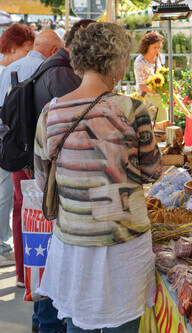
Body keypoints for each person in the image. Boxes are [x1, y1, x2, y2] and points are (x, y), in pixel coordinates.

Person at [34, 22, 162, 332]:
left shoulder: (50, 113)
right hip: (123, 242)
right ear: (118, 64)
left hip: (73, 241)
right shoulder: (131, 109)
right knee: (124, 325)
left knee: (78, 324)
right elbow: (152, 171)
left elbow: (42, 181)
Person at [30, 19, 93, 333]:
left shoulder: (54, 67)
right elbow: (80, 137)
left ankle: (45, 323)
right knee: (61, 265)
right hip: (69, 196)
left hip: (56, 189)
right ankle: (49, 324)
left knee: (55, 262)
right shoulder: (64, 75)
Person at [0, 30, 63, 287]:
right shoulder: (52, 71)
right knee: (45, 211)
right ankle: (42, 276)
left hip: (15, 150)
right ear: (52, 51)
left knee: (20, 207)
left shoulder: (9, 69)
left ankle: (22, 274)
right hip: (42, 154)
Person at [0, 23, 36, 266]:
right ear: (13, 48)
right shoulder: (7, 71)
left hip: (6, 140)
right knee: (5, 194)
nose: (29, 55)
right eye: (27, 50)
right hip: (5, 141)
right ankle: (2, 247)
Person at [134, 31, 167, 121]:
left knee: (163, 124)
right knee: (151, 128)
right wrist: (159, 90)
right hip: (147, 99)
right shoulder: (140, 62)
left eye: (159, 47)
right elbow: (143, 86)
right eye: (155, 47)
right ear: (147, 46)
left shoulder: (158, 57)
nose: (157, 50)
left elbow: (162, 74)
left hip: (158, 97)